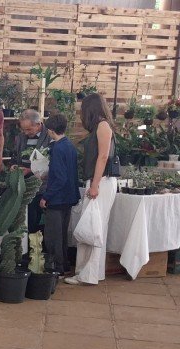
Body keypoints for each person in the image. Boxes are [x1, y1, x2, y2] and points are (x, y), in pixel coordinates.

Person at [64, 93, 118, 286]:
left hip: (100, 181)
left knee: (92, 226)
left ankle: (87, 274)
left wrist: (94, 185)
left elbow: (103, 157)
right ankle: (91, 272)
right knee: (94, 226)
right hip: (99, 181)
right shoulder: (101, 126)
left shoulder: (102, 126)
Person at [39, 113, 80, 275]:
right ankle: (65, 265)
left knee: (53, 236)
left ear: (50, 130)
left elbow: (60, 178)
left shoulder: (56, 148)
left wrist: (45, 196)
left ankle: (56, 267)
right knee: (62, 234)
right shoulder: (70, 145)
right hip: (69, 197)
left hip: (57, 198)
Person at [12, 109, 52, 233]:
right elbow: (15, 156)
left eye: (29, 129)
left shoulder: (50, 136)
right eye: (23, 129)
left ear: (38, 124)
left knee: (36, 221)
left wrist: (29, 170)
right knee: (25, 220)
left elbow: (52, 164)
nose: (25, 132)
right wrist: (14, 165)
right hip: (23, 185)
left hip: (42, 186)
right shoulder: (20, 137)